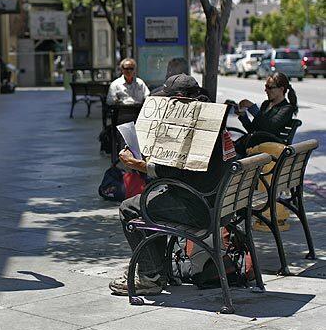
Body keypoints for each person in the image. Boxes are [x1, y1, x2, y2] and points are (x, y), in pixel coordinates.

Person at [108, 74, 233, 296]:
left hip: (200, 209)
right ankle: (156, 269)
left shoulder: (198, 126)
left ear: (179, 100)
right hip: (220, 205)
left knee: (130, 208)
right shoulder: (210, 121)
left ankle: (150, 277)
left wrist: (139, 165)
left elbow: (178, 171)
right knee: (152, 199)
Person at [233, 72, 298, 156]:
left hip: (265, 150)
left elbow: (269, 126)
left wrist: (252, 108)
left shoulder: (286, 108)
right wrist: (243, 115)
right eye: (265, 86)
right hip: (253, 143)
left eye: (269, 87)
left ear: (281, 89)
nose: (266, 90)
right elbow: (252, 130)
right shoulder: (266, 104)